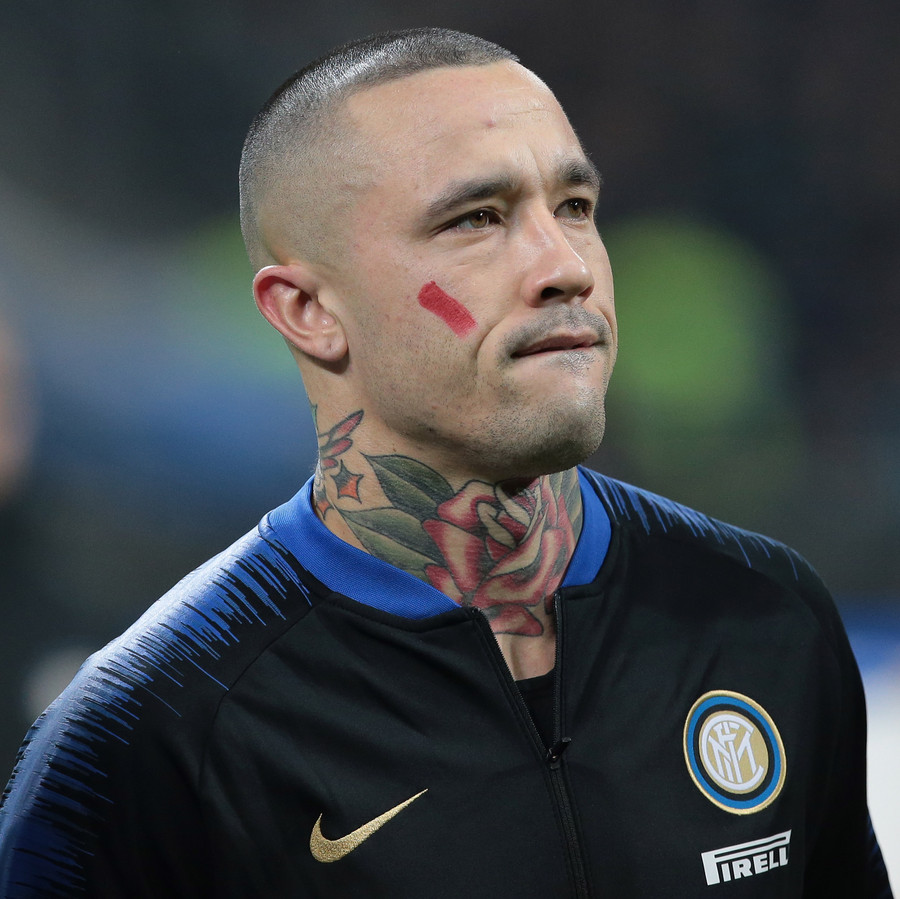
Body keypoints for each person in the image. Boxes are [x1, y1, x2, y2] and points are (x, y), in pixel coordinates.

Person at [0, 27, 893, 898]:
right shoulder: (152, 733)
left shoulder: (764, 614)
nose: (566, 266)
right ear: (309, 310)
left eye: (574, 207)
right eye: (477, 219)